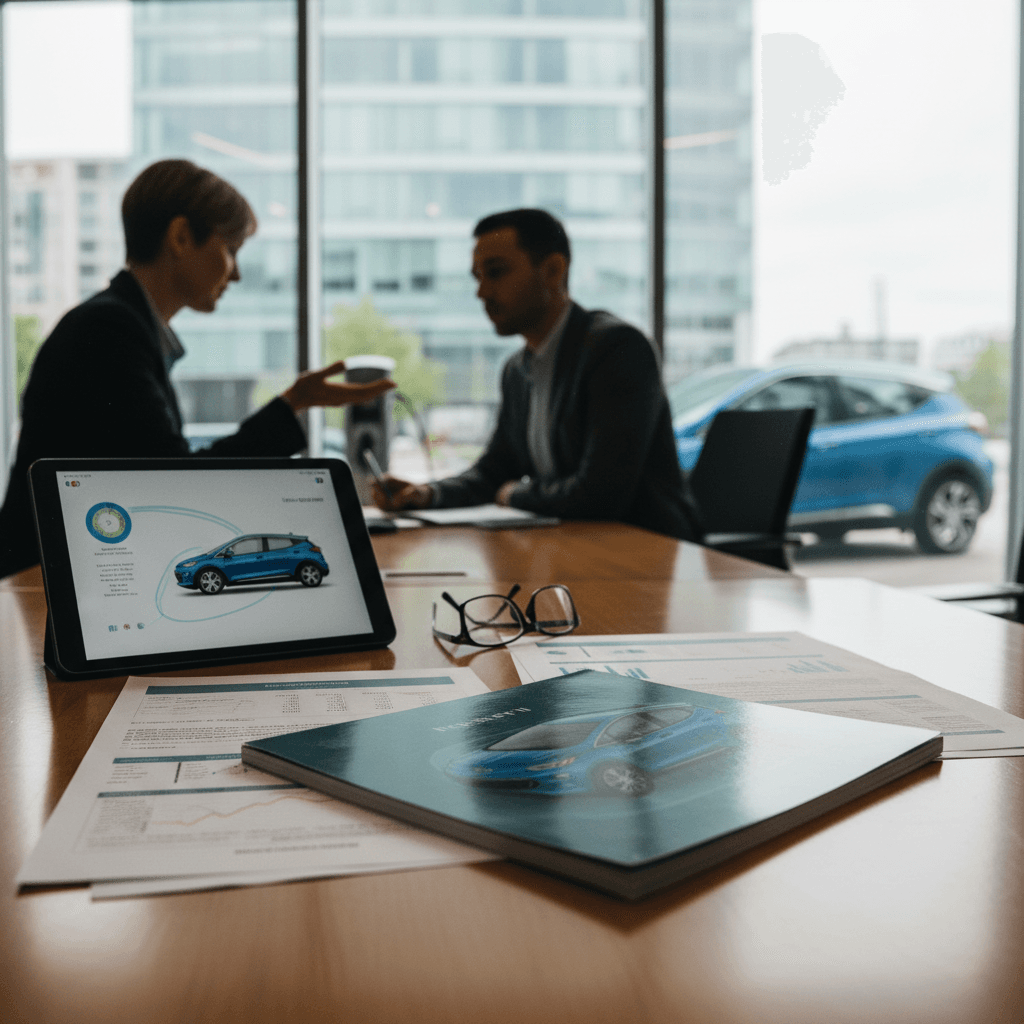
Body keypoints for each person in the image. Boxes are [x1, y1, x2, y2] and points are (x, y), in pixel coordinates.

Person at [0, 159, 394, 579]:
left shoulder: (118, 325)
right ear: (182, 237)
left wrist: (295, 401)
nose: (237, 273)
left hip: (55, 576)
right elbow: (180, 481)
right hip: (40, 585)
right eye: (231, 249)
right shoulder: (110, 330)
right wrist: (293, 404)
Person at [373, 208, 700, 541]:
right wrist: (425, 494)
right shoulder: (517, 369)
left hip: (647, 553)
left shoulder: (617, 349)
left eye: (496, 273)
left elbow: (601, 495)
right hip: (570, 549)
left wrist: (514, 495)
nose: (481, 292)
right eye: (477, 277)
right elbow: (495, 470)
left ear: (553, 270)